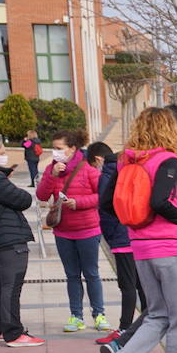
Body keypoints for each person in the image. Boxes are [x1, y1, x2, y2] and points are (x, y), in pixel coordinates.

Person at [96, 108, 177, 353]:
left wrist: (136, 221)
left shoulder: (125, 160)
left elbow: (106, 202)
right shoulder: (165, 159)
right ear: (167, 128)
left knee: (157, 314)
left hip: (140, 246)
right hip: (168, 246)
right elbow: (159, 200)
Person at [37, 128, 107, 333]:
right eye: (54, 148)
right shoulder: (53, 169)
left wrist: (81, 202)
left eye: (60, 149)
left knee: (92, 273)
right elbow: (42, 195)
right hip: (63, 231)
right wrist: (52, 175)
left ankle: (99, 314)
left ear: (72, 149)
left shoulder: (88, 170)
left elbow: (102, 196)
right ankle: (76, 316)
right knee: (72, 275)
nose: (56, 152)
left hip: (88, 229)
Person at [89, 142, 143, 346]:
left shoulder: (109, 175)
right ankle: (143, 325)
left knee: (127, 285)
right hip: (135, 235)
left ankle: (125, 328)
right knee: (140, 284)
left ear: (100, 160)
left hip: (123, 238)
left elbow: (106, 208)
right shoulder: (129, 170)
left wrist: (111, 236)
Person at [0, 144, 41, 346]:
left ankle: (1, 329)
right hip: (9, 240)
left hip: (2, 240)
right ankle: (14, 333)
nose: (5, 156)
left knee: (1, 287)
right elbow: (23, 199)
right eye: (2, 152)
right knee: (11, 286)